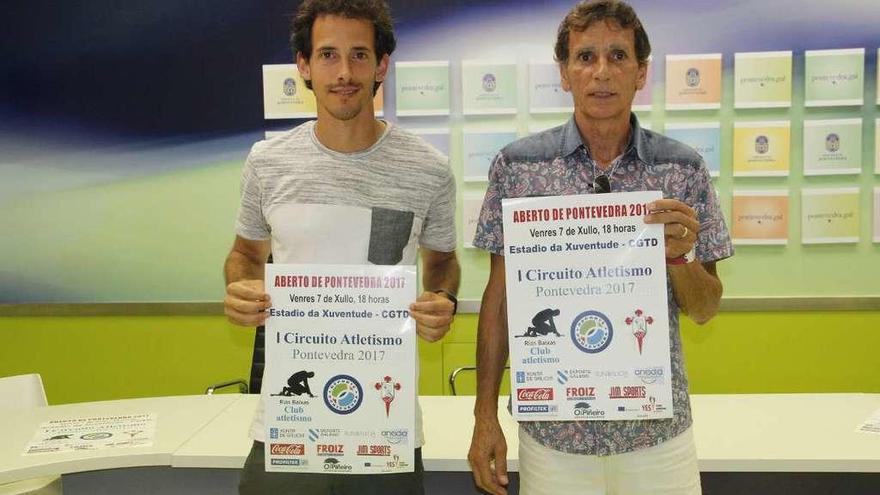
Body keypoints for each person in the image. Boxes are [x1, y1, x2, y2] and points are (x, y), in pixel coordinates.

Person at [467, 1, 733, 494]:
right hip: (553, 438)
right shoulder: (519, 167)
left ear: (641, 72)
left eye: (618, 56)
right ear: (565, 74)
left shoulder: (681, 169)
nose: (602, 72)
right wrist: (485, 416)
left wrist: (678, 257)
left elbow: (705, 308)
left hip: (656, 436)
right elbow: (500, 300)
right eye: (585, 57)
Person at [222, 1, 460, 493]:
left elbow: (441, 262)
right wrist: (241, 287)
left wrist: (444, 301)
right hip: (286, 426)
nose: (345, 72)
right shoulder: (267, 162)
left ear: (382, 65)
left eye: (359, 55)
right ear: (304, 66)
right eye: (328, 55)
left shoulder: (429, 169)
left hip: (385, 426)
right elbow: (245, 253)